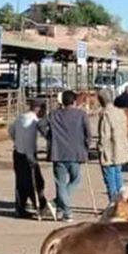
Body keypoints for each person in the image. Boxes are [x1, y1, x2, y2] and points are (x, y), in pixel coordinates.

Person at [39, 90, 91, 222]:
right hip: (75, 152)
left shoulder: (54, 114)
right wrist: (86, 146)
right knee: (75, 180)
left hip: (58, 152)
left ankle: (59, 206)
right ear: (74, 101)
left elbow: (40, 124)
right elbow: (88, 134)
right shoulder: (81, 114)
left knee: (60, 183)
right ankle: (65, 211)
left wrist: (49, 136)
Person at [7, 100, 50, 219]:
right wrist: (31, 157)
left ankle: (21, 206)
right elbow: (29, 141)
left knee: (21, 182)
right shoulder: (33, 122)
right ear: (38, 109)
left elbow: (10, 131)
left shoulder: (20, 117)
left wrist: (17, 141)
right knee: (35, 182)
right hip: (27, 154)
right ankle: (39, 205)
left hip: (17, 152)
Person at [97, 88, 128, 201]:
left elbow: (104, 136)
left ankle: (114, 203)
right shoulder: (120, 112)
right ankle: (121, 203)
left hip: (109, 152)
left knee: (110, 180)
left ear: (101, 100)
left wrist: (100, 148)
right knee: (118, 177)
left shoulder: (106, 115)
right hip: (120, 150)